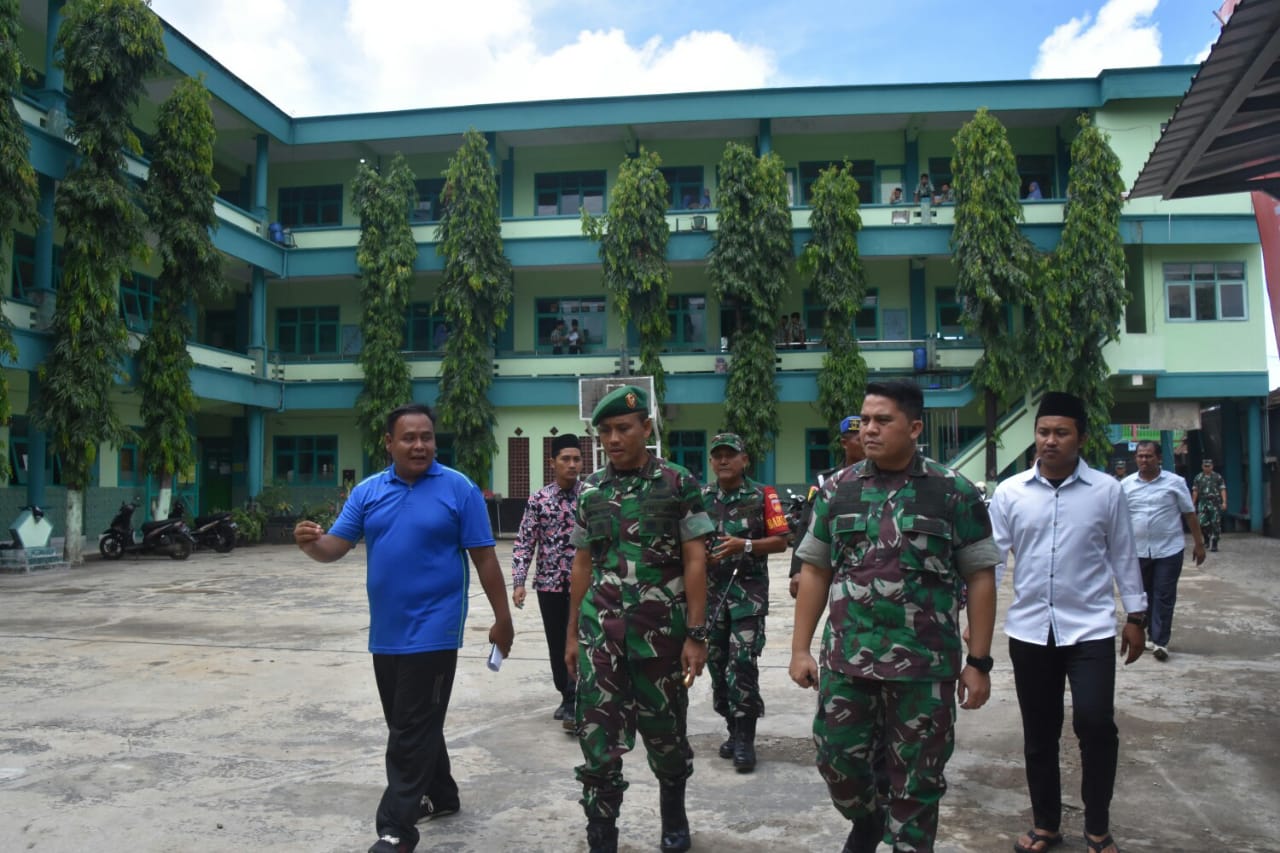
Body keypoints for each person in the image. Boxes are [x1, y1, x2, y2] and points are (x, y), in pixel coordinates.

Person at [293, 403, 515, 853]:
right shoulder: (369, 491)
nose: (420, 445)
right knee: (409, 720)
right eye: (409, 437)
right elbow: (335, 546)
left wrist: (503, 619)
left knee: (410, 728)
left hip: (435, 629)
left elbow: (485, 557)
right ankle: (443, 794)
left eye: (427, 437)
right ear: (389, 443)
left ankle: (395, 829)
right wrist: (311, 544)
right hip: (387, 632)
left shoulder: (459, 489)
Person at [790, 379, 998, 853]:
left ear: (915, 427)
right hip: (848, 663)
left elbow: (981, 578)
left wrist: (979, 662)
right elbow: (816, 570)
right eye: (864, 420)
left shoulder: (953, 493)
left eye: (882, 420)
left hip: (924, 671)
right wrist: (801, 648)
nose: (869, 430)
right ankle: (866, 820)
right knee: (837, 762)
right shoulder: (838, 491)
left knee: (918, 783)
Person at [988, 391, 1147, 853]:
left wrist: (1135, 616)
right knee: (1040, 733)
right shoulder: (1010, 492)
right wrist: (975, 618)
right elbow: (993, 560)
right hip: (1030, 630)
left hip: (1091, 629)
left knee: (1096, 724)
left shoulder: (1106, 490)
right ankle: (1046, 825)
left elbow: (1123, 553)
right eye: (1043, 432)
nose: (1050, 441)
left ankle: (1097, 826)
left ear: (1080, 437)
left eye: (1061, 433)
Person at [565, 384, 715, 853]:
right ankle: (601, 831)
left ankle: (673, 813)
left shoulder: (678, 483)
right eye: (605, 430)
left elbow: (695, 562)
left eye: (623, 428)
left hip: (661, 637)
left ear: (645, 429)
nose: (613, 438)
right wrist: (572, 634)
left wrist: (696, 633)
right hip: (601, 634)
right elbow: (582, 565)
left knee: (666, 734)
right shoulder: (590, 490)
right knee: (597, 736)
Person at [700, 433, 790, 773]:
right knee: (717, 666)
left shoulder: (762, 496)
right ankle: (732, 728)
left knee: (742, 665)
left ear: (744, 460)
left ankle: (745, 740)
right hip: (711, 597)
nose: (723, 461)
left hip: (747, 596)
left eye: (730, 455)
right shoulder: (701, 497)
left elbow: (781, 542)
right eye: (717, 455)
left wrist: (746, 546)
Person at [512, 433, 584, 724]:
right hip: (550, 585)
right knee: (557, 642)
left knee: (583, 638)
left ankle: (578, 696)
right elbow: (525, 541)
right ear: (552, 462)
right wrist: (518, 582)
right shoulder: (539, 500)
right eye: (565, 459)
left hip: (586, 585)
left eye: (577, 459)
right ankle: (567, 694)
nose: (572, 465)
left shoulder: (591, 495)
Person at [1121, 440, 1206, 663]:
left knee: (1164, 594)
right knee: (1144, 595)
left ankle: (1161, 641)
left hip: (1169, 549)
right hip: (1138, 551)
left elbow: (1189, 513)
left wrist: (1199, 543)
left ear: (1159, 458)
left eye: (1149, 456)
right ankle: (1147, 633)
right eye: (1140, 456)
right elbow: (1119, 519)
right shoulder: (1126, 485)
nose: (1144, 460)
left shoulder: (1175, 483)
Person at [789, 415, 864, 599]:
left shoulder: (883, 478)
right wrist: (797, 569)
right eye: (858, 438)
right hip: (832, 561)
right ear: (844, 443)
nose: (865, 442)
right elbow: (807, 524)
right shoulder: (827, 480)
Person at [1192, 458, 1227, 552]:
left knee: (1215, 523)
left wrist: (1224, 502)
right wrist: (1193, 503)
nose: (1207, 468)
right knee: (1201, 522)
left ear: (1212, 466)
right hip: (1203, 502)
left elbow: (1222, 489)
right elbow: (1195, 491)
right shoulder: (1198, 477)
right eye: (1205, 466)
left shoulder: (1217, 477)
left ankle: (1214, 543)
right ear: (1202, 467)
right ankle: (1206, 538)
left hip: (1214, 503)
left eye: (1209, 466)